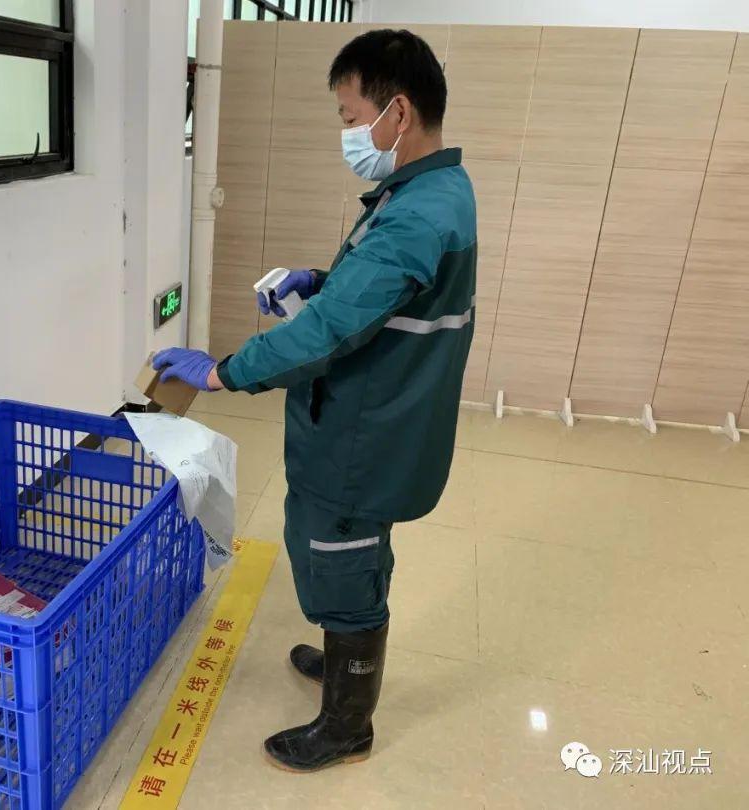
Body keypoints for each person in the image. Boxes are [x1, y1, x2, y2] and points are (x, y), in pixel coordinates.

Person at [153, 29, 476, 773]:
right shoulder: (431, 190)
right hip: (378, 418)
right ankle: (341, 656)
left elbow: (327, 334)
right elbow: (379, 296)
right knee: (346, 552)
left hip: (366, 433)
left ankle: (347, 725)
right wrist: (324, 280)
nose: (348, 132)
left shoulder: (416, 213)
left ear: (398, 112)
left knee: (342, 555)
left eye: (350, 115)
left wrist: (221, 372)